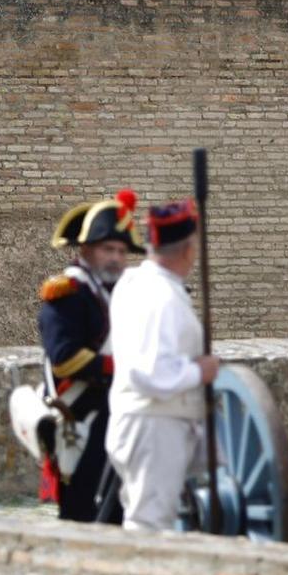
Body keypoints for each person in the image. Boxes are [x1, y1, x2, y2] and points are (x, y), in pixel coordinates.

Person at [103, 198, 217, 533]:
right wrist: (201, 371)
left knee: (150, 519)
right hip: (153, 424)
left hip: (157, 421)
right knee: (148, 525)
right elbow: (149, 372)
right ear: (187, 250)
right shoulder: (160, 296)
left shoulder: (135, 283)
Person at [39, 192, 143, 525]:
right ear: (85, 250)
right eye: (107, 249)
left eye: (121, 251)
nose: (115, 258)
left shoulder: (121, 292)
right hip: (82, 414)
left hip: (119, 410)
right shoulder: (67, 292)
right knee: (82, 513)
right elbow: (64, 359)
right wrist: (122, 368)